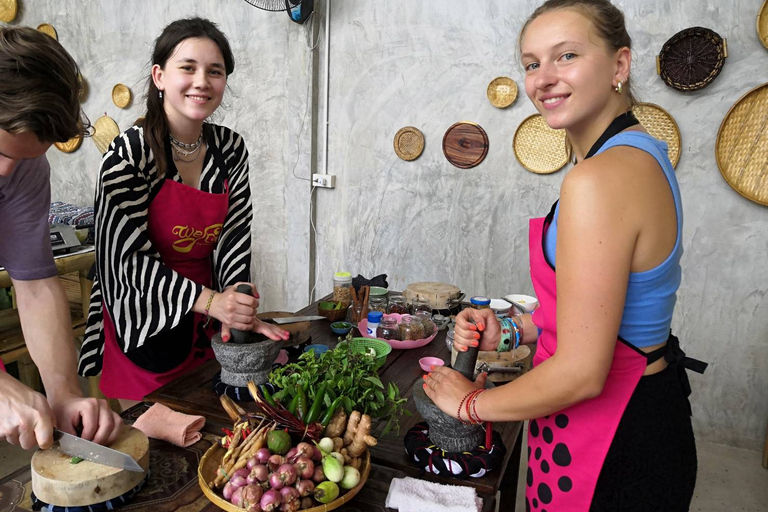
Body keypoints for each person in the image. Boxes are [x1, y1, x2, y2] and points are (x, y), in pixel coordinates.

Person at [424, 1, 706, 510]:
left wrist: (469, 403)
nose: (544, 79)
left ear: (619, 65)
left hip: (616, 438)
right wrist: (512, 331)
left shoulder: (598, 179)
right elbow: (611, 315)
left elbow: (582, 370)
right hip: (647, 406)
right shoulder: (640, 152)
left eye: (567, 55)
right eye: (532, 63)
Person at [77, 18, 289, 409]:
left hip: (207, 315)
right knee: (156, 437)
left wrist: (237, 307)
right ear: (159, 76)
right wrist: (212, 301)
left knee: (213, 419)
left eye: (215, 71)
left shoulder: (230, 148)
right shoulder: (129, 154)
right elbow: (125, 261)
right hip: (143, 313)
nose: (201, 81)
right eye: (187, 68)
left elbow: (235, 235)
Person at [0, 27, 122, 450]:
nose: (5, 174)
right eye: (1, 154)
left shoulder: (25, 169)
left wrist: (64, 391)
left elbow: (33, 285)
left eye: (24, 159)